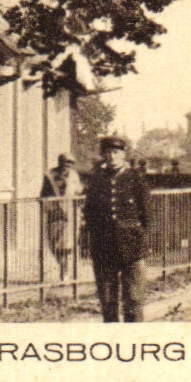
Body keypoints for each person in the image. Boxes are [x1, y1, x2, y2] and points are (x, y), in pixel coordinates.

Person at [84, 135, 148, 322]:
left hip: (132, 247)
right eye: (108, 152)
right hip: (104, 248)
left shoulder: (135, 178)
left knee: (133, 301)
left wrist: (143, 242)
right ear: (103, 155)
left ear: (123, 154)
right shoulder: (97, 180)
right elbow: (90, 213)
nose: (111, 156)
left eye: (116, 152)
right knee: (108, 303)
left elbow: (146, 215)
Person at [39, 153, 82, 281]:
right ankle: (64, 268)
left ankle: (65, 272)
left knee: (67, 245)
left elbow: (79, 192)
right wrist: (49, 206)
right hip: (55, 215)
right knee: (54, 246)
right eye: (64, 163)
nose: (66, 166)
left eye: (69, 163)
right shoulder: (50, 176)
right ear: (59, 163)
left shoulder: (74, 176)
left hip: (70, 215)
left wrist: (78, 204)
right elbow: (43, 194)